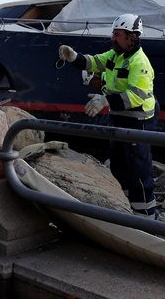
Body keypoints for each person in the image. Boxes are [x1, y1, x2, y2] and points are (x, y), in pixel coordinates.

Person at [58, 14, 157, 216]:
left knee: (139, 170)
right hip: (120, 117)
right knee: (119, 163)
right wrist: (74, 57)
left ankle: (146, 217)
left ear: (132, 37)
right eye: (113, 34)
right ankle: (124, 205)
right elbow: (94, 62)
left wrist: (105, 100)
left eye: (117, 35)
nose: (113, 38)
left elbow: (136, 96)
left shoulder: (140, 63)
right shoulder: (115, 55)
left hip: (138, 122)